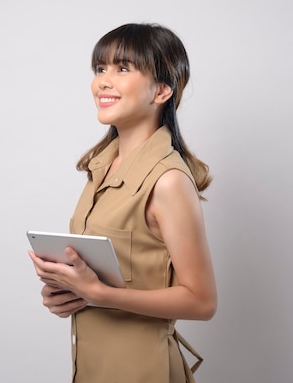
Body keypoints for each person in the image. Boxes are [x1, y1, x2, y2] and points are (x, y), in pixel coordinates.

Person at [29, 23, 217, 383]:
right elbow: (110, 274)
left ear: (162, 90)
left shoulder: (168, 181)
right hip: (93, 370)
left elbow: (202, 301)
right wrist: (68, 293)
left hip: (143, 372)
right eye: (100, 69)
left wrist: (98, 293)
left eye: (123, 69)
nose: (103, 81)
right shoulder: (100, 167)